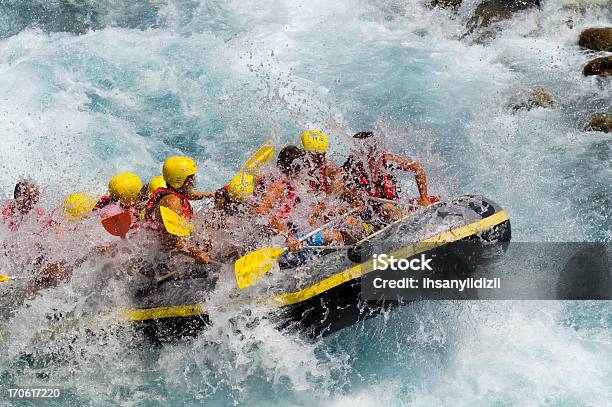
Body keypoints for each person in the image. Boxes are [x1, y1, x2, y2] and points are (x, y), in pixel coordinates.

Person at [343, 131, 432, 225]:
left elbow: (416, 168)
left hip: (393, 208)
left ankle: (403, 228)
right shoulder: (349, 169)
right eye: (359, 151)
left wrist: (424, 198)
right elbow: (341, 193)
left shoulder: (386, 161)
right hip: (367, 216)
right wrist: (353, 199)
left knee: (386, 208)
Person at [143, 156, 211, 264]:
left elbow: (189, 195)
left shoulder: (173, 193)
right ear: (180, 180)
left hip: (176, 250)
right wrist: (197, 254)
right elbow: (170, 241)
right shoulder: (172, 203)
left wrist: (211, 194)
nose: (193, 181)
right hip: (167, 259)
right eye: (191, 178)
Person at [299, 130, 343, 194]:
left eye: (321, 155)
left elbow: (338, 191)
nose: (318, 159)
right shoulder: (296, 166)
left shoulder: (329, 167)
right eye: (314, 155)